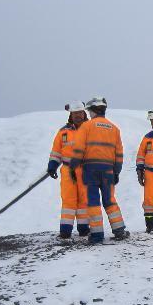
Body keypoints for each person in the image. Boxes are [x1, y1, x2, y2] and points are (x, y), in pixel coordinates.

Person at [68, 96, 130, 244]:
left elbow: (78, 150)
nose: (88, 114)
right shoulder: (114, 128)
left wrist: (72, 167)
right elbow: (119, 154)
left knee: (93, 202)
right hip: (108, 170)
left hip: (90, 170)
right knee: (110, 200)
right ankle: (119, 231)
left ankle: (96, 235)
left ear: (93, 111)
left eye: (89, 111)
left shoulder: (86, 127)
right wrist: (116, 172)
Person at [47, 102, 90, 239]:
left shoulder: (90, 129)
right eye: (75, 113)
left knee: (84, 200)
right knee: (68, 200)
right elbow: (56, 151)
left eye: (80, 113)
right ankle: (65, 231)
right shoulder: (63, 132)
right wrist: (52, 164)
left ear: (84, 113)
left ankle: (84, 229)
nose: (78, 116)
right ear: (71, 115)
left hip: (85, 169)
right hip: (67, 170)